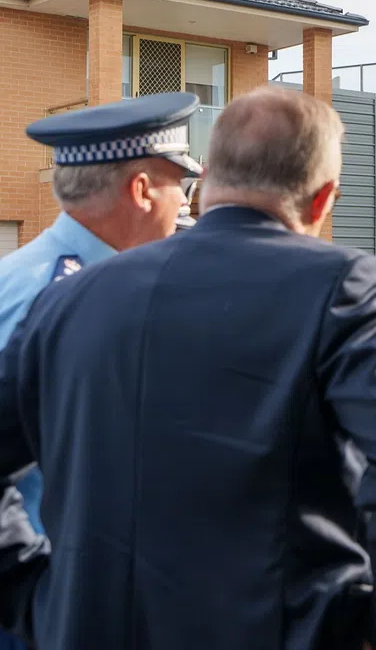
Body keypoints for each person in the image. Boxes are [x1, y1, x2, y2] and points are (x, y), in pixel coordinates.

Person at [0, 86, 376, 650]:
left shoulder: (69, 298)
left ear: (208, 179)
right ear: (323, 200)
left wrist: (33, 598)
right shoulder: (338, 284)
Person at [0, 92, 201, 650]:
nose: (185, 207)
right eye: (178, 187)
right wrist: (36, 596)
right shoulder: (69, 302)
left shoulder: (25, 278)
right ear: (141, 191)